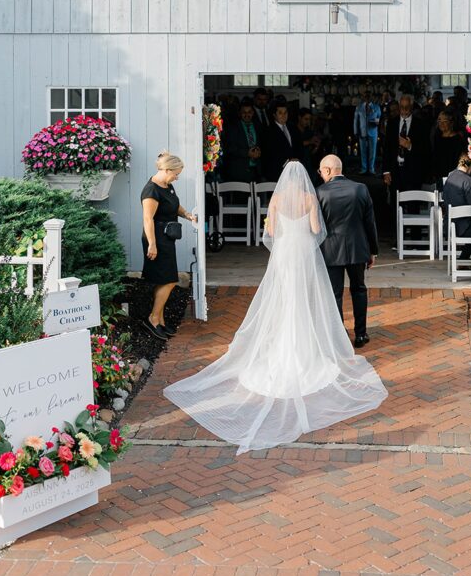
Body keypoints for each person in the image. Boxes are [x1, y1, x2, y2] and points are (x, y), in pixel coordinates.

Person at [164, 161, 387, 454]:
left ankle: (281, 349)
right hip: (304, 254)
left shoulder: (278, 199)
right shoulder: (310, 198)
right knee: (304, 301)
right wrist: (306, 239)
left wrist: (284, 240)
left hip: (284, 255)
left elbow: (269, 232)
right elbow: (317, 230)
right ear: (305, 178)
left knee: (284, 300)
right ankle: (310, 350)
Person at [316, 154, 379, 347]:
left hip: (330, 249)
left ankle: (338, 336)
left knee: (335, 293)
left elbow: (317, 227)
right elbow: (370, 222)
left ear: (327, 170)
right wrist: (373, 250)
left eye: (321, 171)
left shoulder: (320, 192)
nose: (320, 175)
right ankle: (361, 334)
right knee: (359, 289)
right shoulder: (360, 189)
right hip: (357, 248)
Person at [140, 152, 197, 341]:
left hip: (166, 238)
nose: (177, 177)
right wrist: (152, 245)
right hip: (156, 239)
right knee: (171, 279)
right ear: (166, 170)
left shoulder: (167, 186)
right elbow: (147, 219)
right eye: (176, 173)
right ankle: (152, 318)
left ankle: (161, 321)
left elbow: (175, 205)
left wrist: (188, 215)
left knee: (163, 279)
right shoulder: (151, 190)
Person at [382, 95, 430, 207]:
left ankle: (413, 225)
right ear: (399, 107)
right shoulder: (392, 123)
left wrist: (410, 146)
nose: (404, 110)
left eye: (407, 107)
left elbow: (426, 150)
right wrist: (386, 171)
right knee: (395, 204)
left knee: (413, 204)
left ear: (412, 107)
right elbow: (387, 148)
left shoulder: (421, 124)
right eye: (402, 107)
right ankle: (396, 225)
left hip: (413, 171)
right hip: (395, 170)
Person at [222, 99, 262, 182]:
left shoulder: (259, 126)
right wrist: (247, 153)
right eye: (244, 112)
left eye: (249, 112)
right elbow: (229, 148)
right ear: (239, 113)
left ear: (253, 113)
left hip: (257, 171)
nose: (247, 114)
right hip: (239, 173)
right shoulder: (232, 127)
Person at [442, 153, 471, 258]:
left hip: (448, 225)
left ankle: (463, 260)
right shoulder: (468, 181)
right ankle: (464, 258)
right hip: (462, 227)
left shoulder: (450, 178)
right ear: (470, 166)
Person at [263, 101, 303, 180]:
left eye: (285, 113)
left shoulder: (293, 128)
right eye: (280, 113)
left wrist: (297, 160)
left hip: (294, 171)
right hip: (277, 172)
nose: (283, 116)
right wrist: (287, 161)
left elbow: (299, 147)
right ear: (274, 115)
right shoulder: (268, 131)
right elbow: (270, 153)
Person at [431, 109, 468, 187]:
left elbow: (461, 158)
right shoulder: (437, 137)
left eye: (445, 121)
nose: (441, 124)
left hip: (453, 177)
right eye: (439, 121)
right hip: (438, 176)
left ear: (451, 123)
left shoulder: (457, 139)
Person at [354, 90, 382, 175]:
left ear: (371, 97)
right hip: (362, 132)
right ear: (363, 97)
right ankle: (364, 168)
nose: (367, 97)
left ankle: (371, 168)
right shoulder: (358, 107)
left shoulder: (377, 107)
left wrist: (377, 122)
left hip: (373, 132)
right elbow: (355, 120)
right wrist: (355, 131)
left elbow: (379, 117)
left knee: (372, 151)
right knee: (363, 151)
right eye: (365, 96)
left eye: (369, 96)